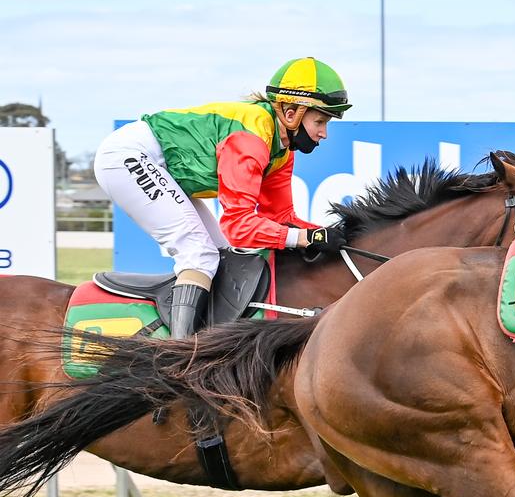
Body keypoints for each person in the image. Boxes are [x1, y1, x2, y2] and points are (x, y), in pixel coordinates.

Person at [93, 57, 351, 339]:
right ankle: (181, 355)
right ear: (291, 114)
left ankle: (202, 338)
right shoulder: (250, 141)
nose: (324, 133)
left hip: (160, 166)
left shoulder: (281, 150)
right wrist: (306, 238)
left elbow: (280, 220)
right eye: (320, 121)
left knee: (221, 254)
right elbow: (239, 226)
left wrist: (325, 234)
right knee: (199, 254)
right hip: (127, 157)